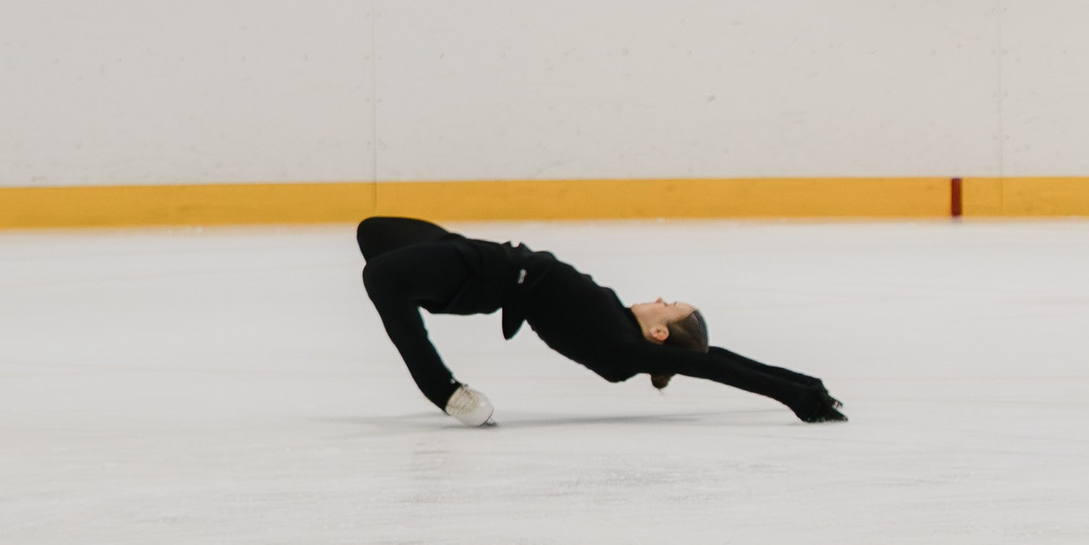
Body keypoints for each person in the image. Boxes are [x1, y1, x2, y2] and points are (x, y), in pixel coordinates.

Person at [356, 216, 844, 427]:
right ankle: (425, 274)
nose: (660, 298)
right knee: (375, 233)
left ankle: (445, 392)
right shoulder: (620, 327)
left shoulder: (622, 348)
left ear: (659, 334)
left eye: (669, 305)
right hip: (477, 256)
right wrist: (807, 381)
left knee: (382, 275)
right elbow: (714, 356)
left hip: (484, 274)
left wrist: (797, 397)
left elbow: (713, 364)